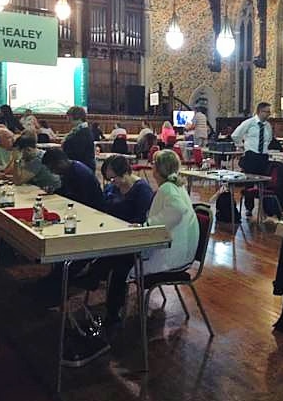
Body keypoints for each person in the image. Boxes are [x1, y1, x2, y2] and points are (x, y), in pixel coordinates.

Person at [78, 150, 197, 326]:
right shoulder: (176, 185)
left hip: (169, 256)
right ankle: (99, 284)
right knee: (120, 257)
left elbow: (177, 211)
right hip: (177, 250)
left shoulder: (167, 188)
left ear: (158, 169)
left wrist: (147, 225)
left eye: (154, 165)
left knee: (121, 264)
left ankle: (111, 311)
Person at [232, 102, 273, 216]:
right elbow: (235, 135)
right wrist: (242, 146)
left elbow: (268, 139)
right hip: (251, 155)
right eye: (266, 111)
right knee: (249, 183)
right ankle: (249, 208)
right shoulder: (249, 123)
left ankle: (265, 208)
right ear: (260, 111)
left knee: (264, 183)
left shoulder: (268, 125)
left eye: (269, 112)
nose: (268, 114)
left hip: (263, 156)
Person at [103, 155, 154, 225]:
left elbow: (142, 219)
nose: (111, 182)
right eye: (109, 179)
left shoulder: (143, 190)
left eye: (113, 178)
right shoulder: (112, 188)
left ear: (125, 173)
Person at [62, 106, 95, 172]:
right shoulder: (78, 130)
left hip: (82, 168)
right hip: (79, 166)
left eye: (69, 116)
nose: (67, 119)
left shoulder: (83, 132)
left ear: (75, 116)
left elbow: (77, 152)